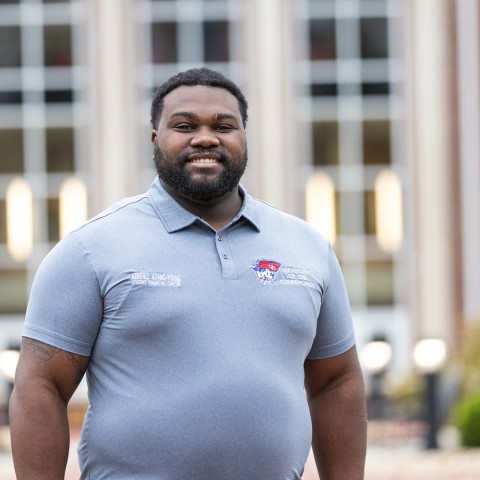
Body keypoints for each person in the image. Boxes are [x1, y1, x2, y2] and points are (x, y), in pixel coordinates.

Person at [9, 67, 367, 480]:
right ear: (155, 139)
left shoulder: (307, 247)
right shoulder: (90, 249)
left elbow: (336, 381)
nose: (205, 138)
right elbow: (40, 387)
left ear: (244, 138)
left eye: (224, 126)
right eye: (184, 126)